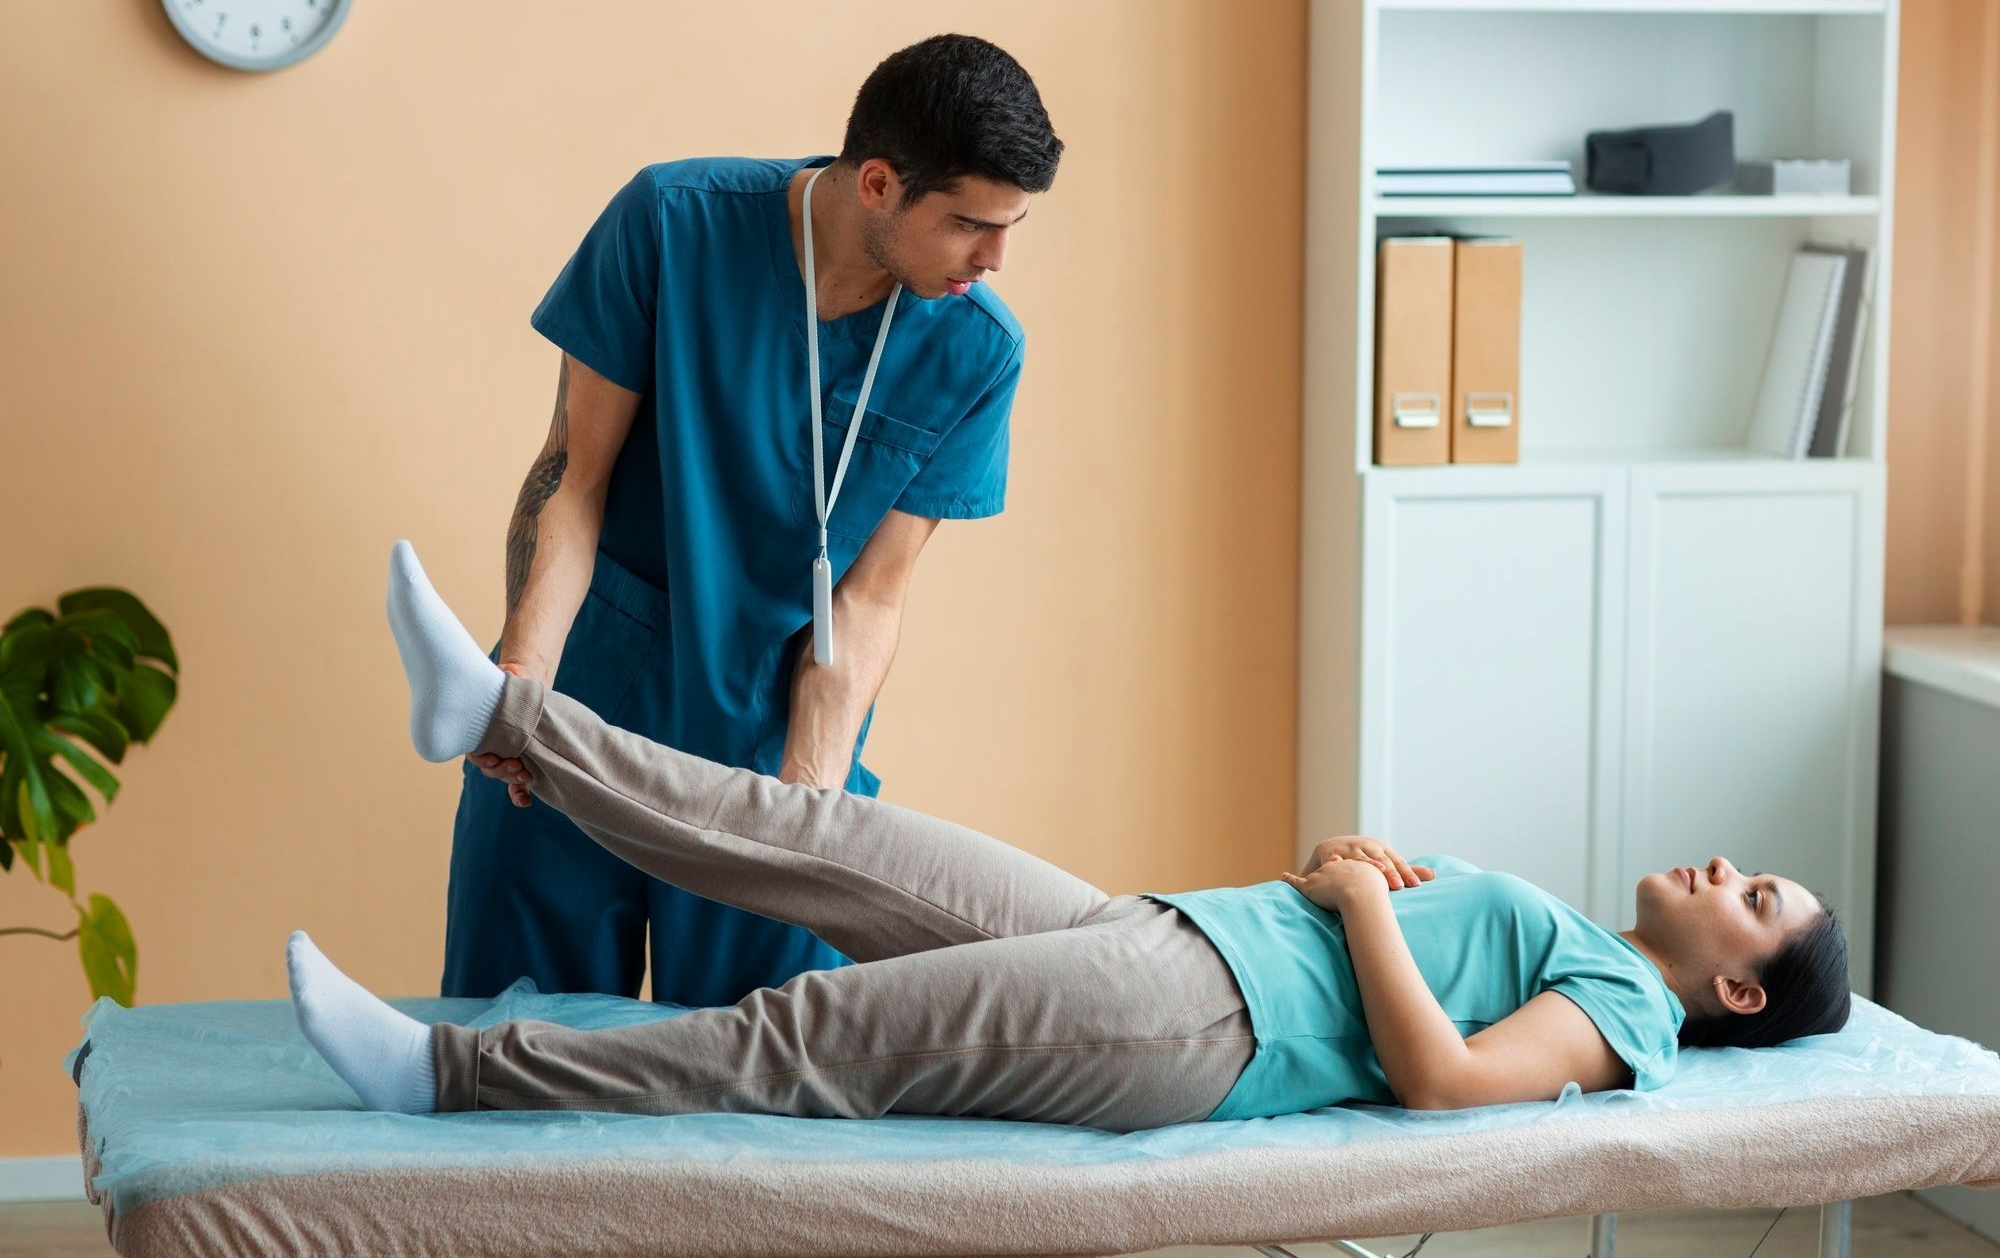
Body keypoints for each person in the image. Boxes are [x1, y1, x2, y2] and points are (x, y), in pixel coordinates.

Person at [291, 543, 1851, 1127]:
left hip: (1202, 1023)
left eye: (1757, 895)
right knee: (812, 832)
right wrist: (1355, 873)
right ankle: (502, 718)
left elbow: (1442, 1082)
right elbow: (1390, 958)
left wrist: (1354, 901)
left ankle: (448, 1074)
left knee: (800, 1028)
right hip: (1166, 934)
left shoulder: (1629, 1013)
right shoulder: (1592, 939)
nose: (1726, 867)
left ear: (1736, 991)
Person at [443, 34, 1062, 1009]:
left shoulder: (976, 349)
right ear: (875, 184)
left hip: (774, 745)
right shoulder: (672, 223)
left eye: (1010, 227)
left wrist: (804, 805)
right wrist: (522, 686)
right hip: (586, 699)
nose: (991, 259)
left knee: (758, 1086)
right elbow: (572, 479)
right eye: (966, 224)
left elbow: (868, 597)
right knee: (514, 1048)